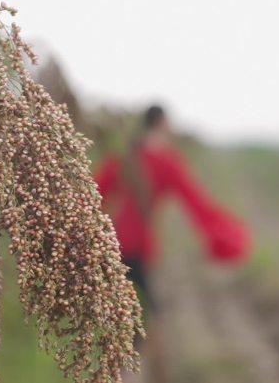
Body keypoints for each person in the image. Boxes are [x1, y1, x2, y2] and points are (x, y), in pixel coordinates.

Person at [94, 105, 250, 382]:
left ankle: (122, 370)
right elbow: (197, 203)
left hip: (111, 246)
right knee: (148, 319)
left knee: (126, 315)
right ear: (162, 125)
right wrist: (224, 235)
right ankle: (127, 374)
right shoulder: (167, 161)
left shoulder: (123, 157)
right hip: (139, 249)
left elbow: (93, 193)